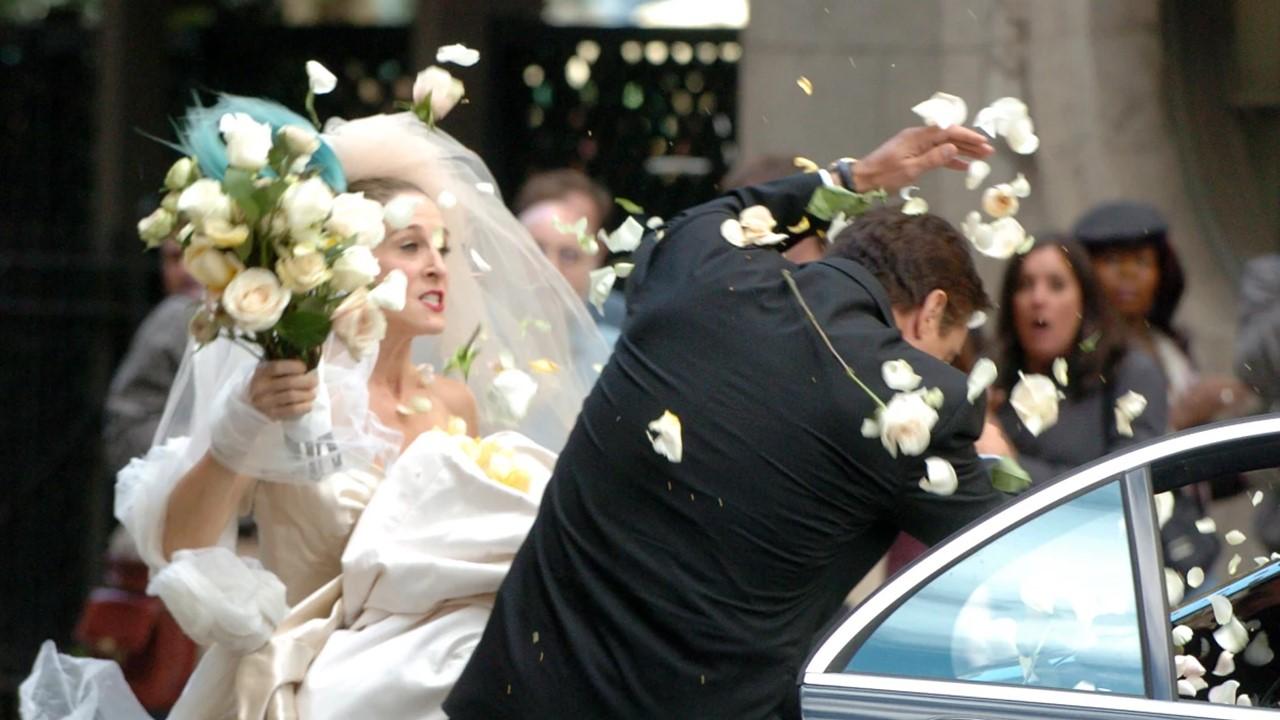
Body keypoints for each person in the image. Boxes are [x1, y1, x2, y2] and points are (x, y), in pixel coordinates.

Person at [24, 97, 609, 720]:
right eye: (411, 246)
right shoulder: (291, 392)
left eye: (443, 247)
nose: (438, 267)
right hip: (305, 681)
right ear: (347, 263)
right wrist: (237, 433)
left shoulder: (453, 401)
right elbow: (180, 543)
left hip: (438, 679)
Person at [445, 124, 1007, 719]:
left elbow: (732, 214)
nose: (943, 369)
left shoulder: (696, 268)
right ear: (932, 312)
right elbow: (1013, 537)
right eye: (948, 352)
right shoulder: (920, 403)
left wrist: (855, 178)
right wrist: (1002, 462)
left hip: (518, 699)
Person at [991, 236, 1168, 484]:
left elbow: (1124, 490)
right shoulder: (995, 380)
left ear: (1085, 301)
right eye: (1024, 285)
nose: (1037, 298)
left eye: (1056, 285)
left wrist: (1008, 465)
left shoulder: (1128, 372)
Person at [1074, 202, 1249, 430]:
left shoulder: (1166, 342)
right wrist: (1180, 417)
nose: (1129, 273)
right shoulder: (1084, 353)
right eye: (1112, 260)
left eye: (1142, 261)